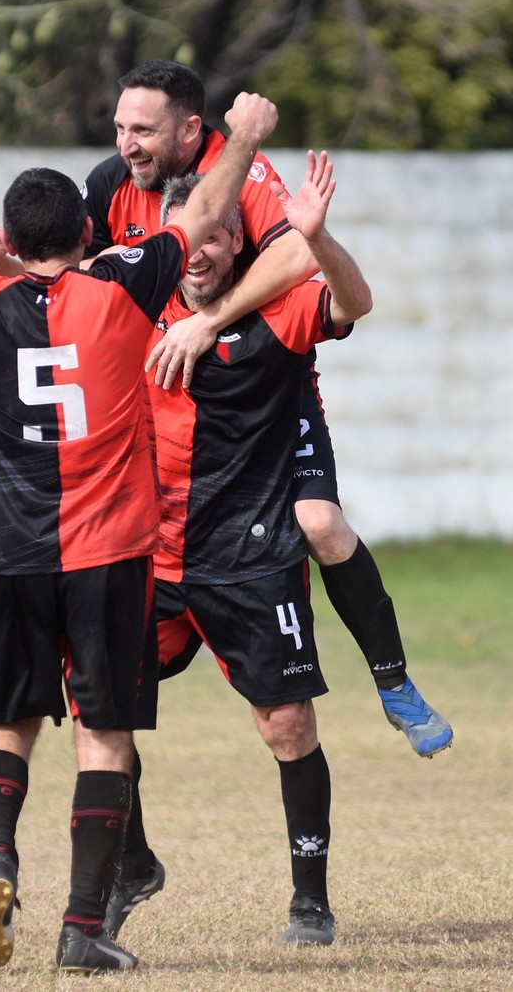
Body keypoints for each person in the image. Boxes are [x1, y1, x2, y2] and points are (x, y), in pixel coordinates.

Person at [0, 90, 280, 975]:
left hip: (11, 556)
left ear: (8, 238)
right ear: (88, 228)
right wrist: (246, 141)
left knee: (4, 727)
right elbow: (199, 216)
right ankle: (83, 930)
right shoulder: (121, 285)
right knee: (103, 737)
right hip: (110, 557)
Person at [0, 60, 453, 764]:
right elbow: (74, 282)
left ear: (189, 130)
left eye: (142, 130)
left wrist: (206, 322)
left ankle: (393, 683)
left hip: (264, 369)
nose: (126, 143)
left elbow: (302, 257)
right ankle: (126, 849)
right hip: (164, 378)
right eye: (119, 127)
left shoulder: (243, 171)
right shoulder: (110, 184)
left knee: (318, 521)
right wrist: (3, 270)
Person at [110, 150, 369, 947]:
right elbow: (44, 301)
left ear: (238, 242)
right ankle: (132, 863)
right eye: (188, 237)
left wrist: (319, 238)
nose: (201, 252)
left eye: (219, 237)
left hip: (249, 558)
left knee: (286, 726)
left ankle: (309, 902)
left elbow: (352, 301)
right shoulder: (127, 305)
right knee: (100, 707)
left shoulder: (276, 311)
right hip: (151, 557)